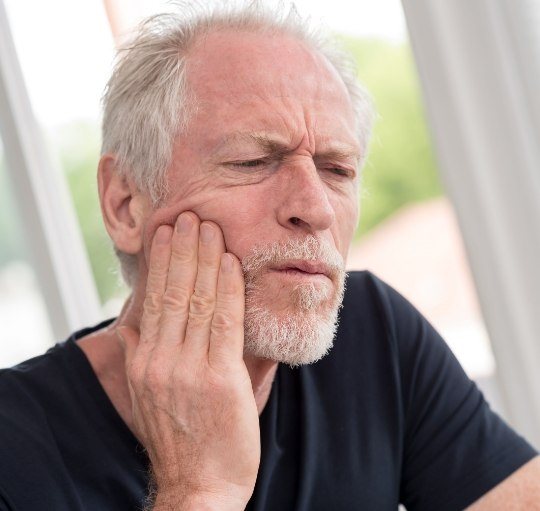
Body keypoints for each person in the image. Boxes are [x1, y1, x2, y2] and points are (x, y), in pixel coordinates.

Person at [0, 2, 538, 510]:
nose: (315, 208)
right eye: (253, 161)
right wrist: (198, 490)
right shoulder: (13, 444)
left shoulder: (372, 333)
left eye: (338, 170)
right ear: (125, 205)